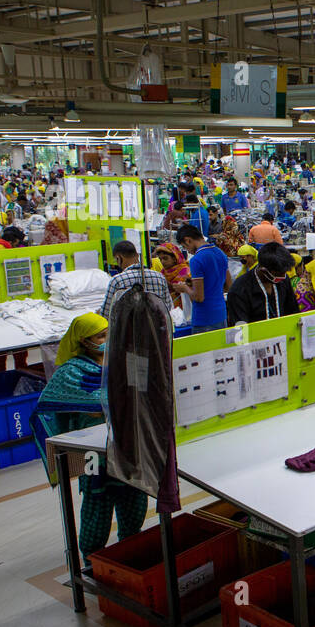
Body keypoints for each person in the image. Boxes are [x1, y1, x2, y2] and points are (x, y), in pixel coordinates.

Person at [30, 314, 147, 567]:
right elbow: (62, 405)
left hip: (128, 448)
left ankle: (129, 553)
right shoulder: (71, 372)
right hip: (95, 455)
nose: (108, 339)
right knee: (97, 507)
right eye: (100, 336)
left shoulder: (121, 360)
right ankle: (93, 560)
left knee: (134, 503)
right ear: (84, 341)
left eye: (109, 332)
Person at [175, 223, 231, 333]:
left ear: (188, 240)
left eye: (185, 247)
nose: (188, 251)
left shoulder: (196, 260)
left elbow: (199, 298)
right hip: (221, 314)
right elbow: (228, 286)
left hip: (204, 318)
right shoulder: (220, 253)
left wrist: (185, 288)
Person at [226, 242, 297, 325]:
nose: (282, 277)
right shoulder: (239, 291)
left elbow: (293, 312)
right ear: (263, 270)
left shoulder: (283, 280)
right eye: (278, 274)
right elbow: (239, 331)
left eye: (284, 273)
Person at [101, 240, 171, 321]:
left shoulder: (117, 280)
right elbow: (168, 307)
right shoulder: (160, 277)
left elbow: (106, 314)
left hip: (130, 331)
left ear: (118, 258)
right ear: (137, 255)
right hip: (158, 329)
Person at [152, 242, 190, 310]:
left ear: (175, 258)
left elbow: (183, 290)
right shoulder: (163, 272)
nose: (162, 262)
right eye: (160, 259)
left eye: (165, 258)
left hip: (183, 309)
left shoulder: (185, 270)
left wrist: (166, 282)